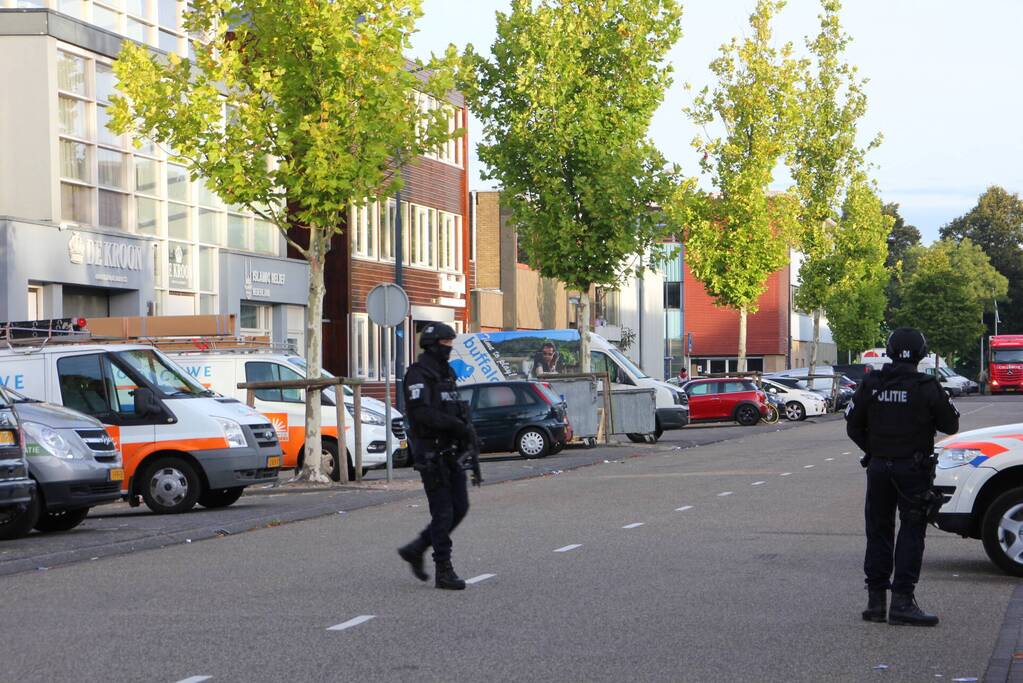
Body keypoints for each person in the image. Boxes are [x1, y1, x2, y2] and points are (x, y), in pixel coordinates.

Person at [846, 327, 959, 626]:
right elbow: (951, 426)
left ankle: (875, 603)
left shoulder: (872, 383)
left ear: (890, 351)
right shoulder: (927, 386)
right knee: (911, 532)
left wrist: (876, 450)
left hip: (880, 467)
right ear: (922, 354)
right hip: (913, 469)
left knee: (878, 531)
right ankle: (902, 602)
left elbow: (852, 425)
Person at [397, 323, 478, 590]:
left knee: (460, 508)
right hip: (431, 454)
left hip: (452, 452)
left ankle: (416, 547)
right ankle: (444, 569)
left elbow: (455, 408)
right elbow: (421, 413)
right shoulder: (418, 375)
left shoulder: (446, 372)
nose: (449, 348)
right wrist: (455, 426)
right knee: (443, 513)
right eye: (445, 343)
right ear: (432, 345)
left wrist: (468, 436)